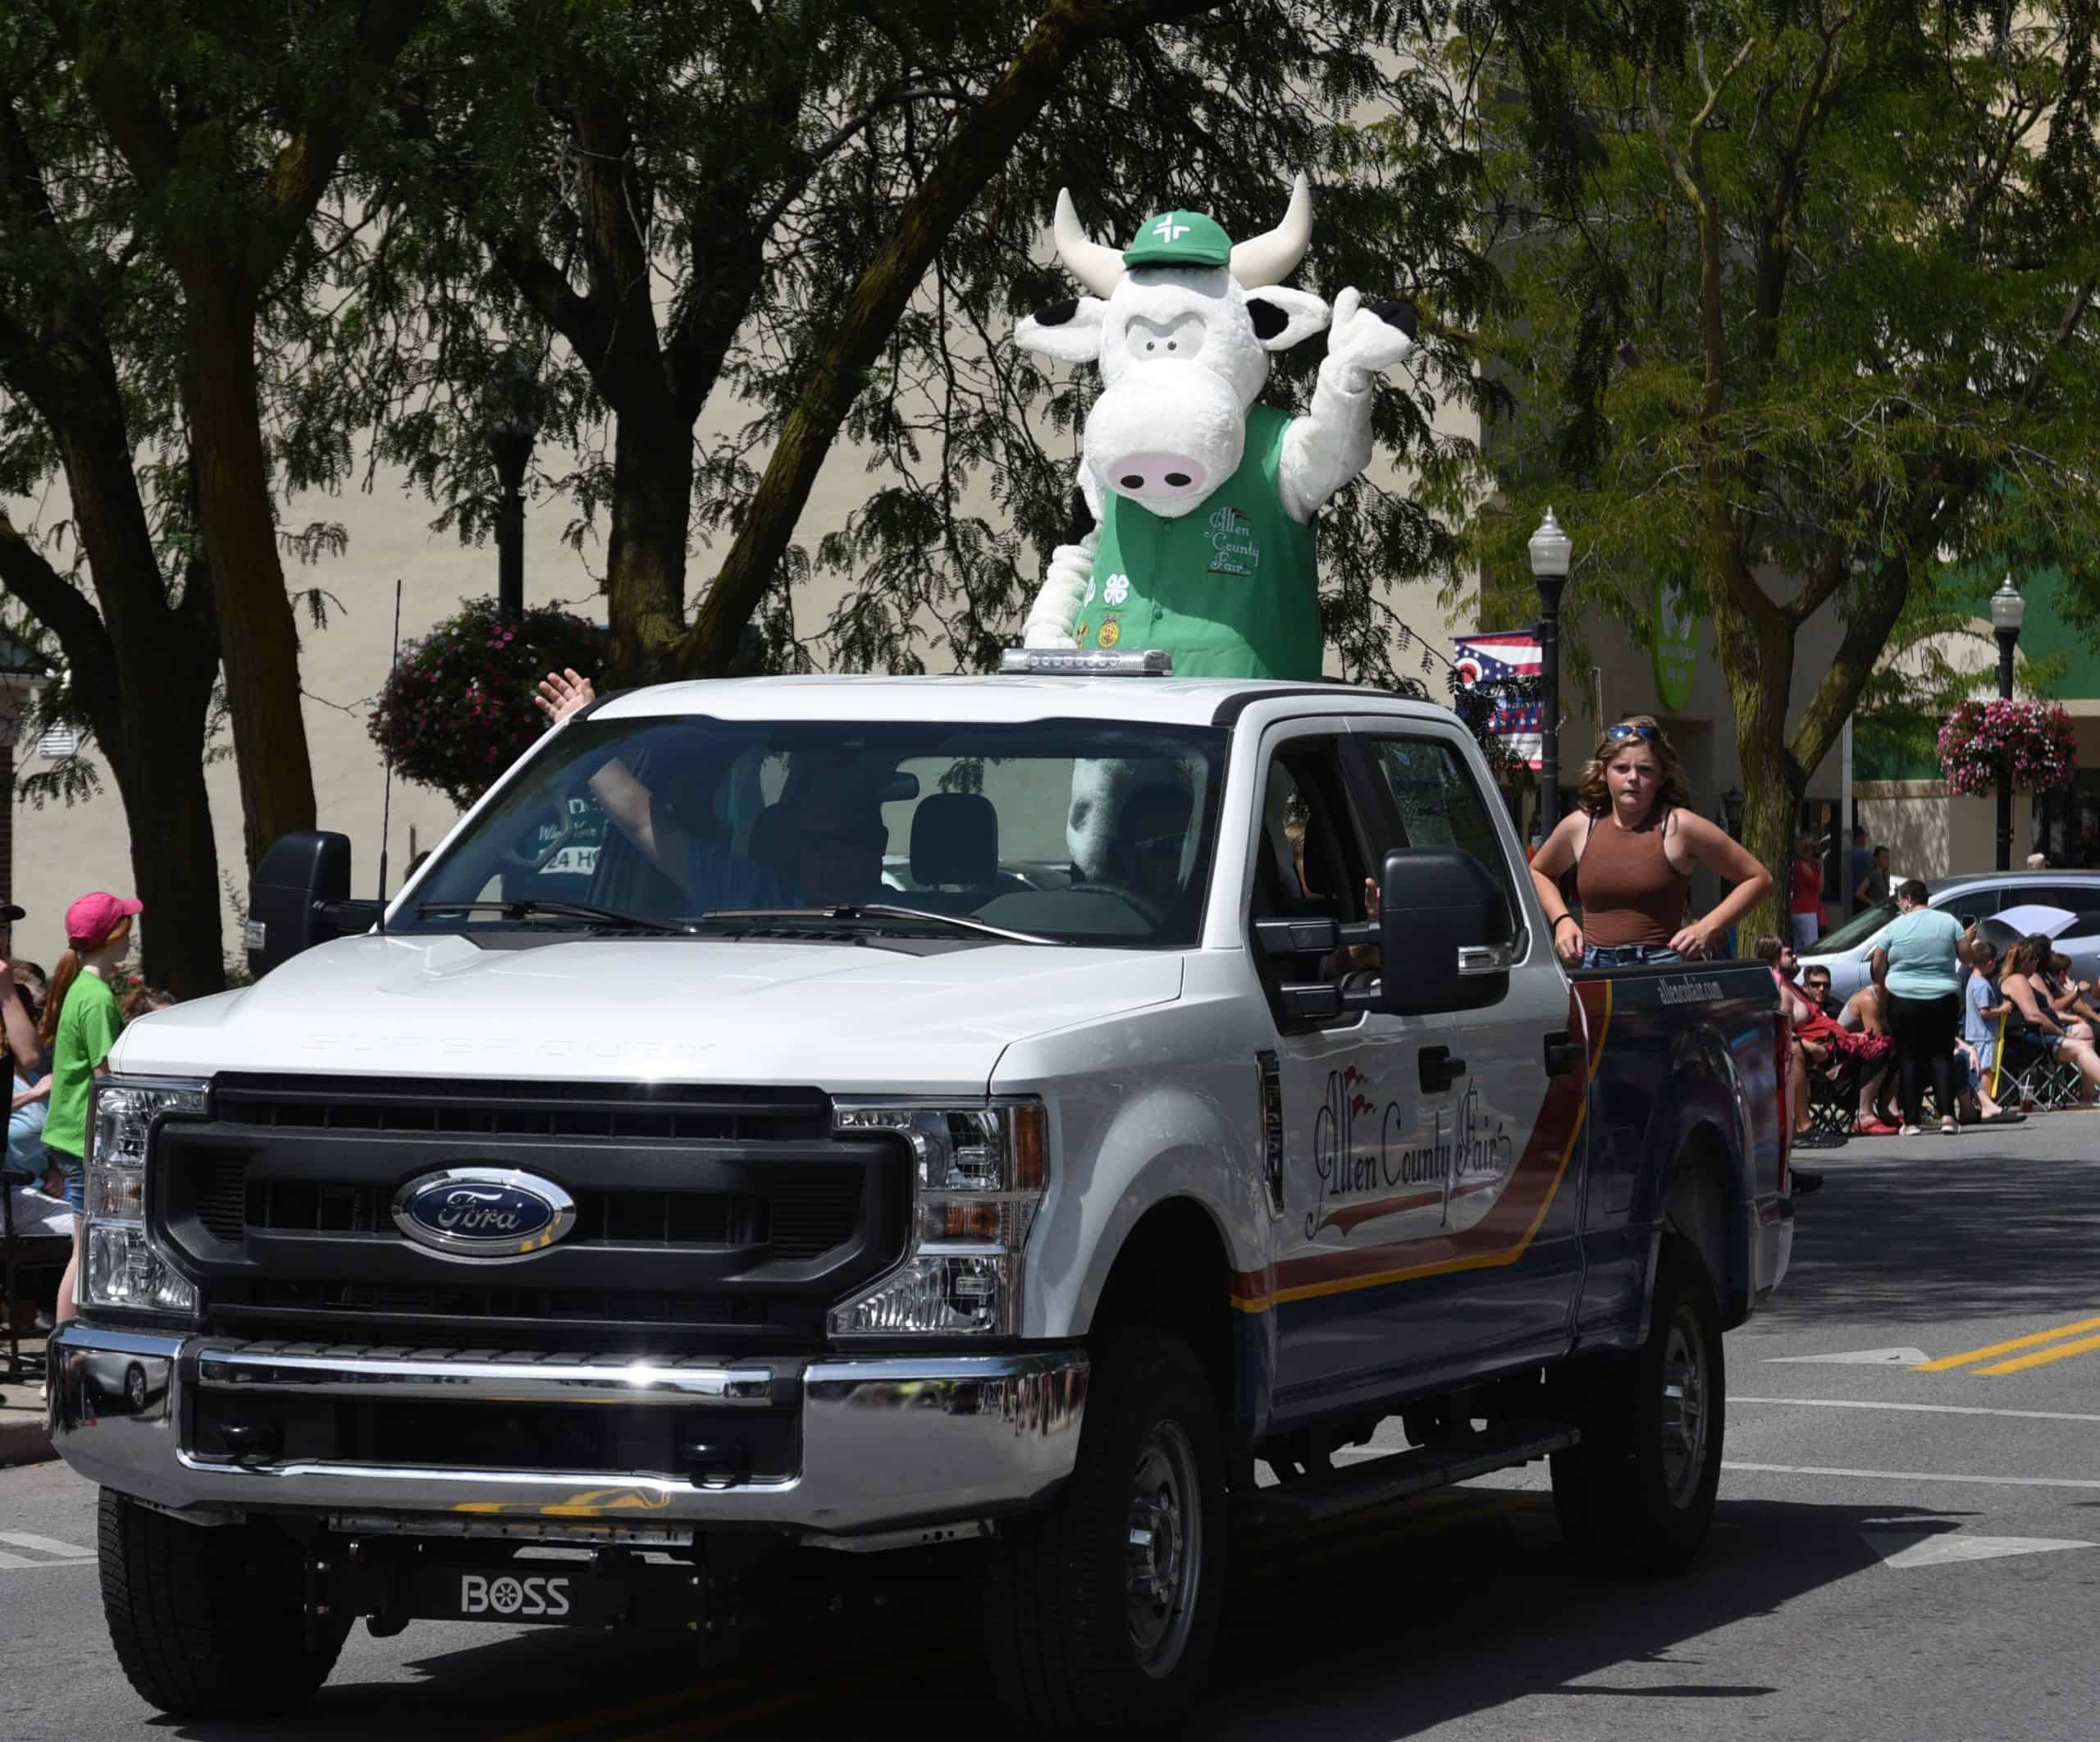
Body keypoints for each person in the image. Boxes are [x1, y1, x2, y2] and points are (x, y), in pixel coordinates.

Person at [535, 668, 888, 908]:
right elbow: (647, 824)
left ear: (879, 845)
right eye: (816, 843)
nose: (831, 859)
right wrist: (588, 740)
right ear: (795, 847)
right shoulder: (750, 900)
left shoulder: (934, 920)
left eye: (848, 841)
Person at [1528, 717, 1774, 967]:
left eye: (1645, 770)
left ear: (1661, 777)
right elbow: (1539, 871)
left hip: (1662, 967)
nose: (1633, 778)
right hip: (1594, 968)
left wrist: (1707, 928)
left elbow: (1757, 878)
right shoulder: (1579, 826)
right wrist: (1562, 921)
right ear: (1603, 773)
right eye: (1621, 768)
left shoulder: (1680, 825)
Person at [38, 893, 141, 1330]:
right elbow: (106, 1076)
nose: (131, 939)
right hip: (85, 1140)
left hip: (68, 1136)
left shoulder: (81, 987)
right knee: (84, 1253)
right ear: (113, 936)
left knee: (83, 1250)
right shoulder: (96, 997)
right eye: (126, 929)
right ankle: (61, 1362)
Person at [1871, 879, 1976, 1136]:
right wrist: (1967, 940)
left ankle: (1912, 1121)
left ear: (1907, 898)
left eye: (1899, 899)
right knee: (1941, 1055)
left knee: (1909, 1058)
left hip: (1903, 997)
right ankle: (1948, 1117)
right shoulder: (1949, 922)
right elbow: (1967, 957)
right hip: (1942, 997)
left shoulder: (1895, 926)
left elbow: (1877, 964)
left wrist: (1883, 984)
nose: (1899, 904)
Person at [1998, 935, 2100, 1104]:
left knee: (2084, 1031)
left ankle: (2086, 1095)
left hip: (2038, 1034)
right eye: (2034, 959)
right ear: (2027, 960)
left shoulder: (2023, 979)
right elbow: (2033, 1016)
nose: (2037, 963)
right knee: (2081, 1047)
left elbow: (2045, 1012)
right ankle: (2087, 1094)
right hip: (2028, 1041)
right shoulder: (2018, 980)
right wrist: (2061, 1033)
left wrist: (2072, 1020)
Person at [1957, 940, 2020, 1125]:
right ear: (1990, 963)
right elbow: (1985, 1012)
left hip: (1974, 1033)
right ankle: (1986, 1106)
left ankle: (1980, 1105)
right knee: (1986, 1071)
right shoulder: (1982, 985)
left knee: (1979, 1070)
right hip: (1984, 1035)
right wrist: (2004, 1008)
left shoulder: (1971, 982)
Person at [1788, 837, 1824, 951]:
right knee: (1811, 947)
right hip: (1806, 911)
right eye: (1812, 849)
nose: (1814, 852)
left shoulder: (1800, 866)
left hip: (1800, 910)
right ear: (1804, 850)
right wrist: (1822, 868)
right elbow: (1819, 888)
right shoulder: (1802, 866)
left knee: (1799, 948)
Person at [1847, 825, 1874, 916]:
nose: (1865, 840)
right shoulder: (1867, 855)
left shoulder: (1846, 854)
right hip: (1865, 901)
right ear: (1859, 838)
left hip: (1849, 900)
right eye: (1864, 837)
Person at [1856, 845, 1892, 910]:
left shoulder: (1886, 875)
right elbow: (1859, 893)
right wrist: (1872, 903)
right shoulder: (1872, 875)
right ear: (1876, 858)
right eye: (1884, 857)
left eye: (1888, 857)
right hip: (1874, 912)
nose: (1887, 860)